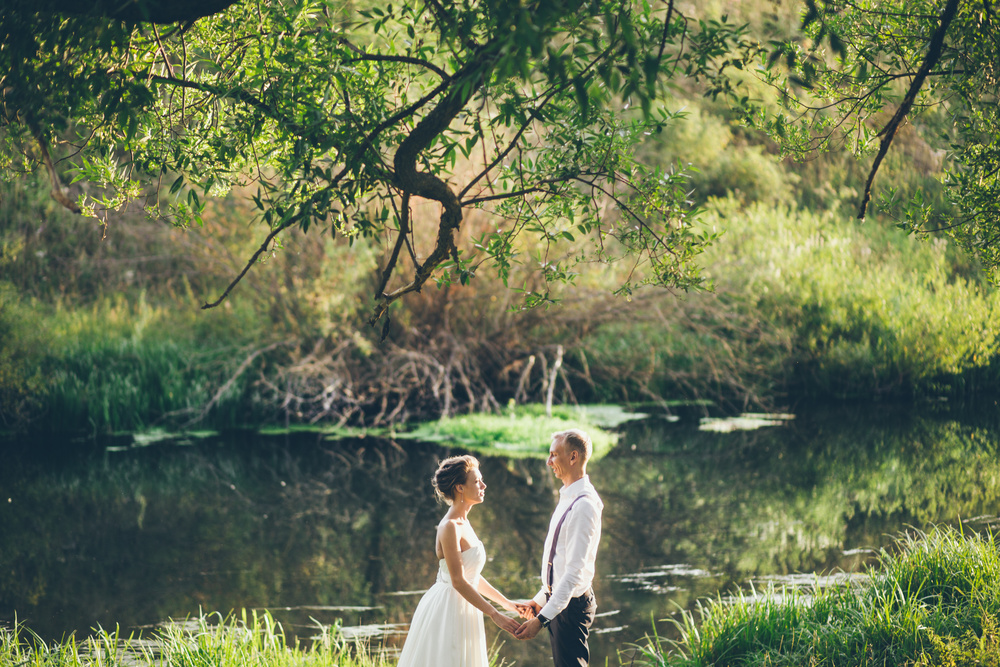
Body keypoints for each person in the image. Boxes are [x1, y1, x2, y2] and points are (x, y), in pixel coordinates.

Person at [396, 454, 522, 667]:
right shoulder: (449, 527)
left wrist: (508, 604)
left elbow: (471, 576)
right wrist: (494, 614)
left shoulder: (464, 522)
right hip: (447, 609)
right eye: (476, 481)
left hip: (466, 607)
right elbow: (458, 580)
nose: (483, 485)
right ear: (460, 488)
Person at [514, 429, 604, 667]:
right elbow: (560, 561)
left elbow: (573, 573)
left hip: (571, 610)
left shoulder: (584, 505)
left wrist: (541, 619)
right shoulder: (568, 496)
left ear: (573, 457)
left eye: (554, 455)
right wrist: (540, 599)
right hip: (560, 604)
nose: (548, 461)